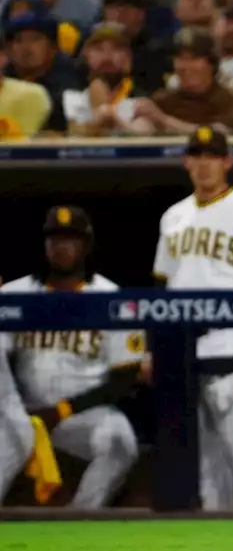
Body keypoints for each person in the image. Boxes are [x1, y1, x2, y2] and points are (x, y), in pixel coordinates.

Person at [153, 127, 233, 511]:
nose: (204, 164)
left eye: (213, 156)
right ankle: (217, 546)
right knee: (205, 455)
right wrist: (157, 348)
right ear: (186, 162)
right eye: (197, 156)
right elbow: (161, 288)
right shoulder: (173, 216)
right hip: (183, 343)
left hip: (230, 338)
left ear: (228, 162)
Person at [0, 206, 145, 508]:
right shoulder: (16, 293)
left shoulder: (112, 297)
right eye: (54, 239)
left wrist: (63, 410)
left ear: (86, 245)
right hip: (23, 414)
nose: (61, 246)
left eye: (70, 239)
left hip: (81, 414)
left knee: (120, 443)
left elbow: (123, 379)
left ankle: (80, 518)